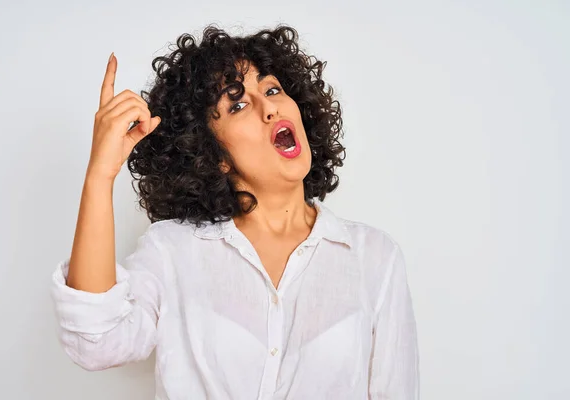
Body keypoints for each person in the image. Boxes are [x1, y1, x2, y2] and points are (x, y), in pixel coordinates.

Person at [50, 24, 419, 400]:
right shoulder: (172, 251)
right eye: (237, 104)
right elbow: (95, 340)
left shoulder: (374, 258)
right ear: (215, 154)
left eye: (272, 89)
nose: (270, 107)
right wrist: (101, 174)